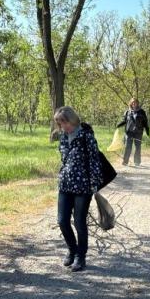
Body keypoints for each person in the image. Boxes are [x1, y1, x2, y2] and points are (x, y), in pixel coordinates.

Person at [54, 106, 103, 271]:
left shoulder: (86, 135)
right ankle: (72, 250)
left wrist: (94, 183)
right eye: (60, 124)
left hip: (83, 186)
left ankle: (81, 257)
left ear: (72, 119)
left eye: (64, 122)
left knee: (80, 222)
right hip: (65, 184)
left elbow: (95, 160)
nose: (63, 126)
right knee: (62, 220)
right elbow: (64, 160)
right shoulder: (63, 137)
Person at [116, 98, 150, 167]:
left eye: (135, 103)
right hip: (129, 132)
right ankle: (125, 161)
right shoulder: (127, 112)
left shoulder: (142, 112)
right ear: (130, 103)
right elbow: (124, 121)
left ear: (138, 103)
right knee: (128, 147)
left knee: (138, 147)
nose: (134, 104)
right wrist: (119, 125)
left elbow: (145, 122)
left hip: (138, 132)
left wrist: (147, 130)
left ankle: (137, 162)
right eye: (133, 103)